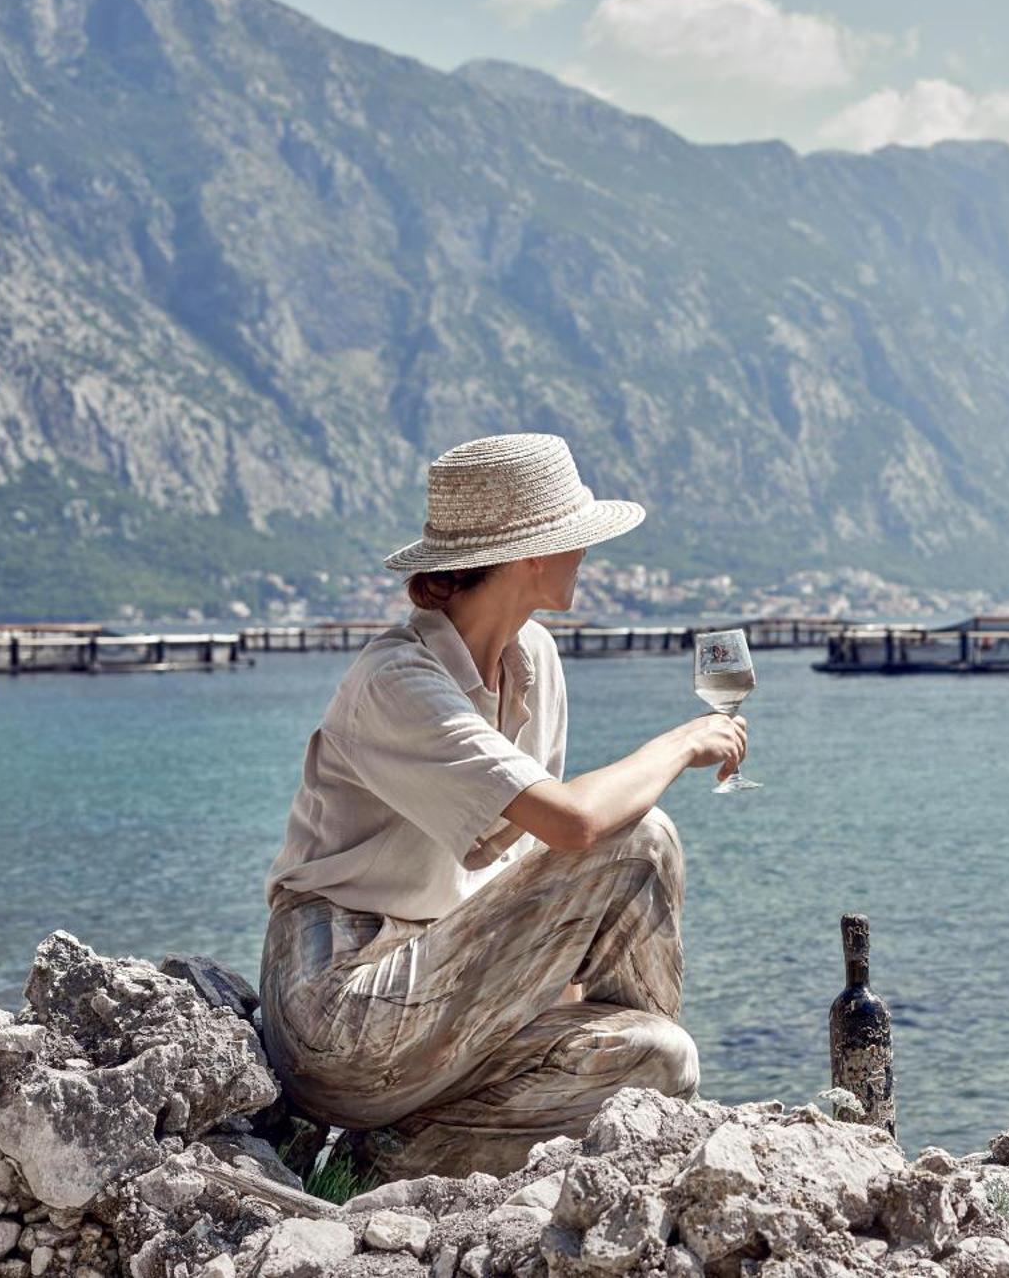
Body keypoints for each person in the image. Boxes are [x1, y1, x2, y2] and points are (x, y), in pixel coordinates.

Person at [257, 433, 747, 1182]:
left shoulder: (534, 661)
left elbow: (525, 872)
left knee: (662, 1059)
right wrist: (681, 743)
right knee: (643, 835)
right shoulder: (397, 682)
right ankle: (643, 1161)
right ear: (530, 552)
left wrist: (569, 1011)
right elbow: (575, 825)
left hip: (444, 992)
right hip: (341, 1013)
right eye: (576, 538)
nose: (589, 553)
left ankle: (387, 1161)